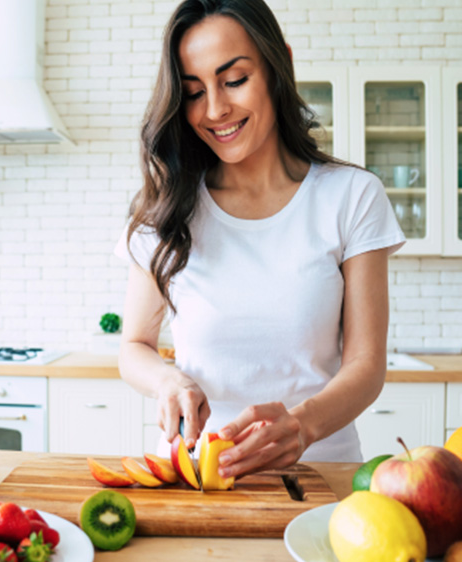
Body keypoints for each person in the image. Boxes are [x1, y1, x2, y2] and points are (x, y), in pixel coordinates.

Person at [114, 0, 405, 479]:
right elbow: (134, 347)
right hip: (198, 475)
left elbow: (366, 364)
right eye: (193, 92)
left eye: (234, 80)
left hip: (320, 476)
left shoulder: (350, 196)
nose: (215, 109)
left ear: (279, 65)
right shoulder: (165, 209)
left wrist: (302, 426)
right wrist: (167, 380)